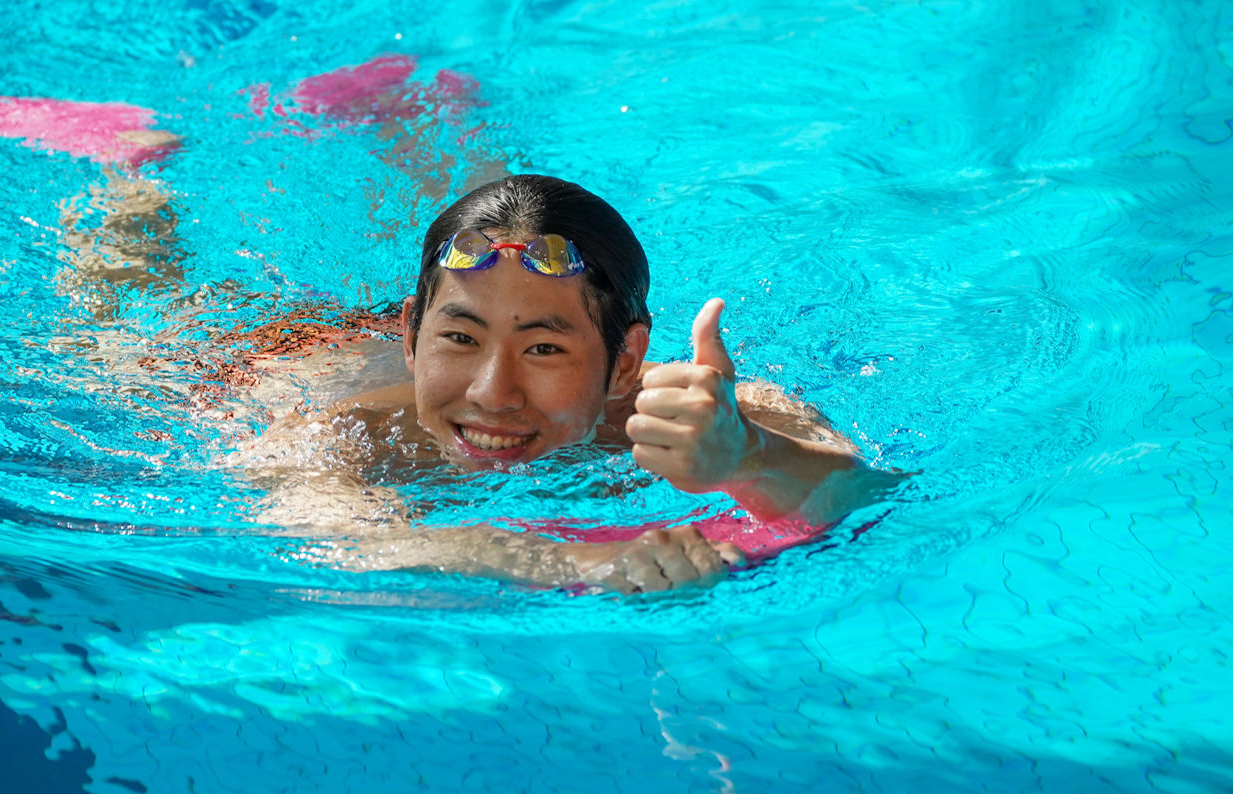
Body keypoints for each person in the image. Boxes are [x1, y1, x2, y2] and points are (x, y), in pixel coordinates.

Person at [251, 174, 896, 593]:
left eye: (543, 348)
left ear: (623, 363)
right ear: (414, 334)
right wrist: (584, 562)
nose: (490, 393)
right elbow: (343, 544)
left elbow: (867, 493)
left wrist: (749, 458)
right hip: (262, 352)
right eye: (459, 337)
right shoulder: (339, 435)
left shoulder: (713, 416)